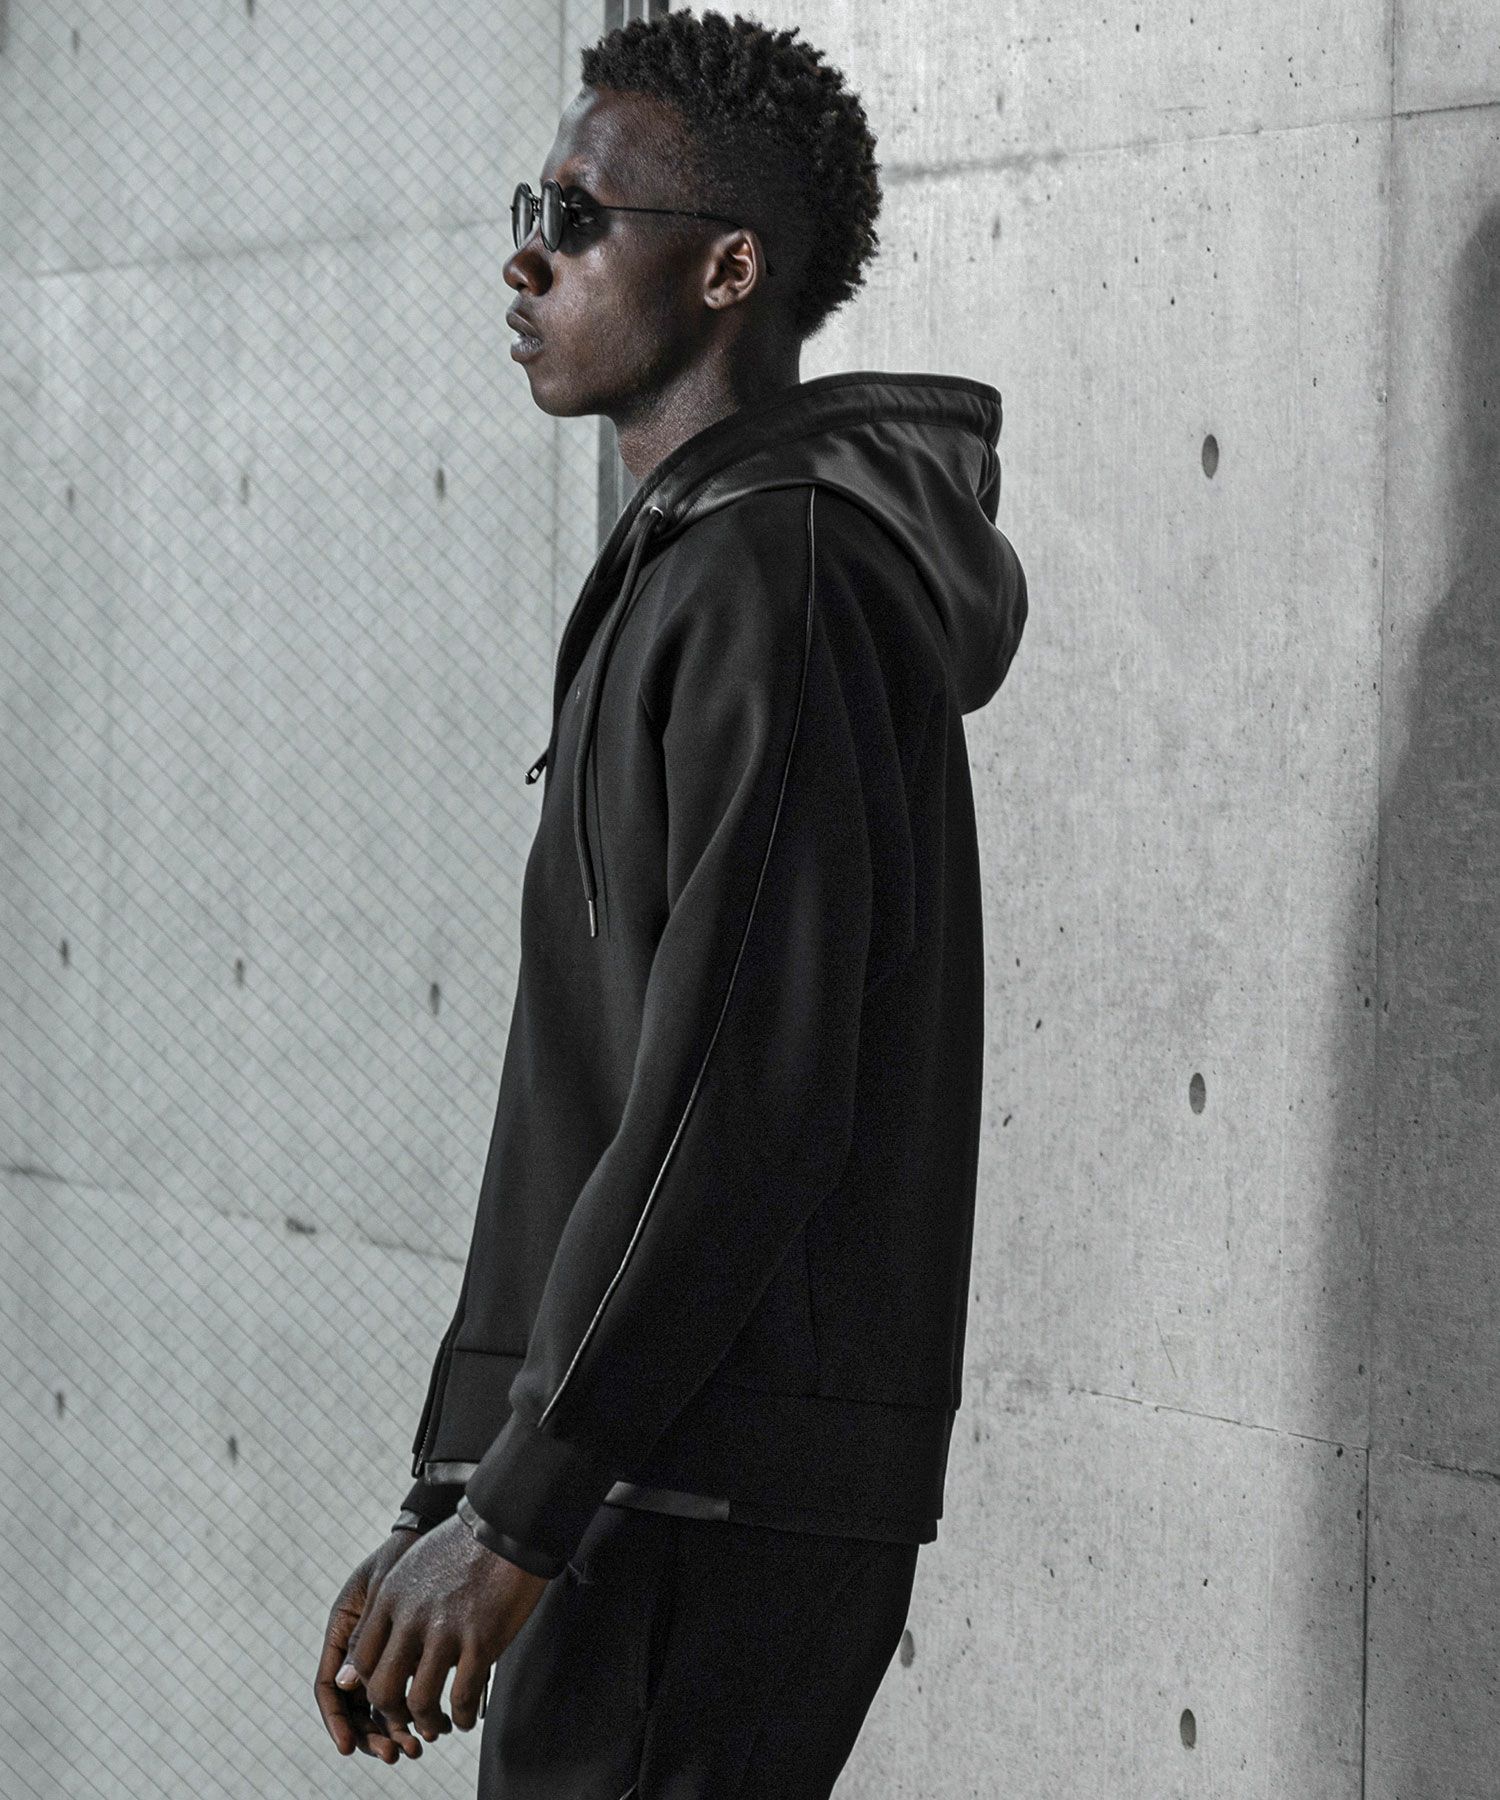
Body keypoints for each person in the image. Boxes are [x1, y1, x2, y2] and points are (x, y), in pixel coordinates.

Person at [314, 8, 1027, 1794]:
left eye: (574, 217)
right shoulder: (700, 566)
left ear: (727, 269)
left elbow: (739, 1099)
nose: (526, 257)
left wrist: (521, 1506)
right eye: (528, 210)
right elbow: (597, 1097)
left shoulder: (776, 576)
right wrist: (461, 1486)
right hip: (637, 1474)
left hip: (699, 1493)